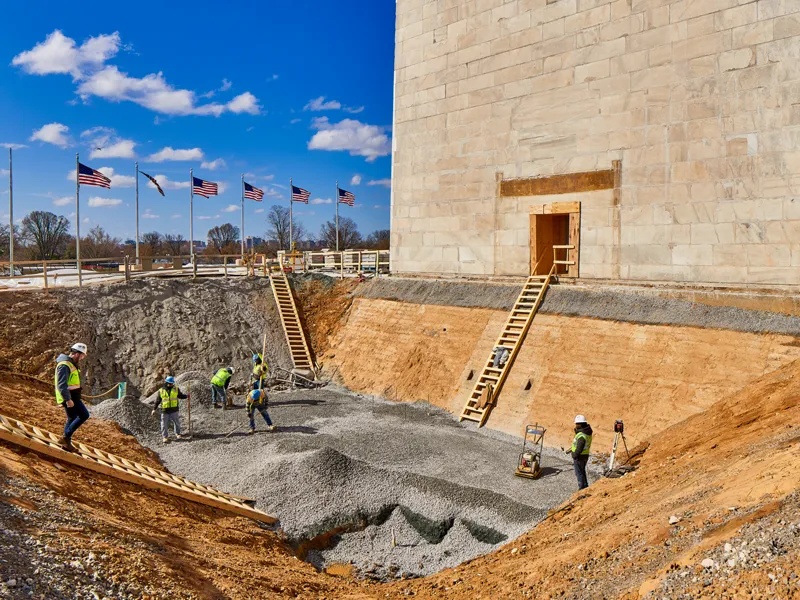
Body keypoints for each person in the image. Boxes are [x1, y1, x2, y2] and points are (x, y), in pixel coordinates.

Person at [54, 343, 89, 451]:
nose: (82, 358)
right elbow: (61, 384)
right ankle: (65, 437)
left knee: (72, 417)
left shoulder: (70, 364)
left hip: (72, 396)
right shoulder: (65, 365)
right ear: (77, 354)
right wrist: (68, 399)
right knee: (84, 415)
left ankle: (66, 443)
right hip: (70, 397)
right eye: (82, 355)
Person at [151, 376, 188, 443]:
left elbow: (180, 395)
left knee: (176, 422)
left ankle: (178, 433)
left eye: (172, 383)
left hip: (174, 410)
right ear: (167, 382)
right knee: (164, 424)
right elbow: (158, 400)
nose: (172, 384)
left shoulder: (176, 389)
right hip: (165, 410)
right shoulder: (161, 390)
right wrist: (154, 409)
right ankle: (165, 437)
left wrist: (186, 396)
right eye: (170, 383)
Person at [566, 415, 593, 490]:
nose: (575, 425)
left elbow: (579, 447)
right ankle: (585, 486)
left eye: (576, 424)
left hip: (580, 456)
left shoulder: (582, 435)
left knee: (579, 473)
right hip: (585, 455)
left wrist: (574, 455)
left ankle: (581, 488)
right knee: (582, 471)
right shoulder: (586, 432)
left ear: (580, 424)